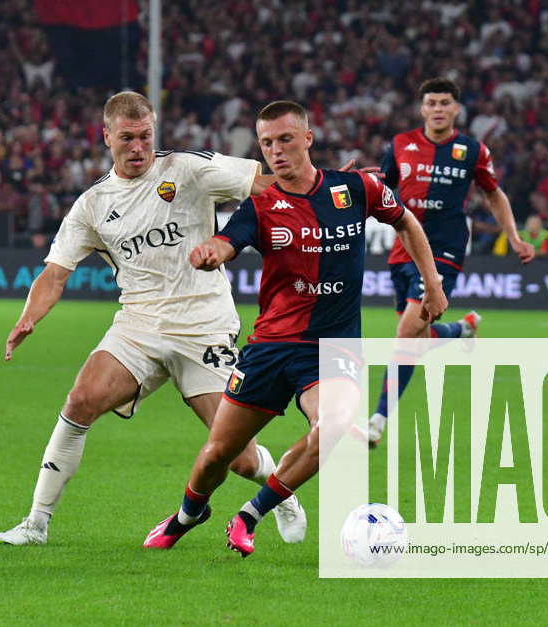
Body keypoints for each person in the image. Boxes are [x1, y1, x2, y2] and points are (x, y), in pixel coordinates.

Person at [0, 91, 307, 547]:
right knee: (80, 400)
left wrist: (326, 189)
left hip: (204, 326)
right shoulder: (94, 204)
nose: (138, 147)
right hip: (138, 327)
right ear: (106, 137)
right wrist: (28, 318)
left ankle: (283, 493)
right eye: (127, 138)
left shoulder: (187, 169)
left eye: (145, 136)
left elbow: (263, 181)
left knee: (236, 457)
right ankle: (35, 523)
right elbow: (55, 273)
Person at [142, 100, 447, 557]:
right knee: (217, 455)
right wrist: (212, 253)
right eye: (267, 143)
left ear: (308, 138)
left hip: (331, 346)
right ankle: (188, 514)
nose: (276, 151)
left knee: (336, 424)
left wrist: (432, 283)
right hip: (269, 348)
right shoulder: (261, 206)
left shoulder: (356, 188)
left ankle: (250, 514)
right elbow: (228, 242)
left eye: (285, 139)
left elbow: (405, 220)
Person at [367, 77, 535, 445]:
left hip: (445, 252)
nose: (439, 109)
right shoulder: (400, 145)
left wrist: (514, 236)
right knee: (417, 337)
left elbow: (494, 195)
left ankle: (378, 417)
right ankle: (463, 329)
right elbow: (378, 188)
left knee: (405, 334)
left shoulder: (472, 150)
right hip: (402, 252)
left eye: (445, 102)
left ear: (456, 109)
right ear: (422, 108)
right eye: (432, 102)